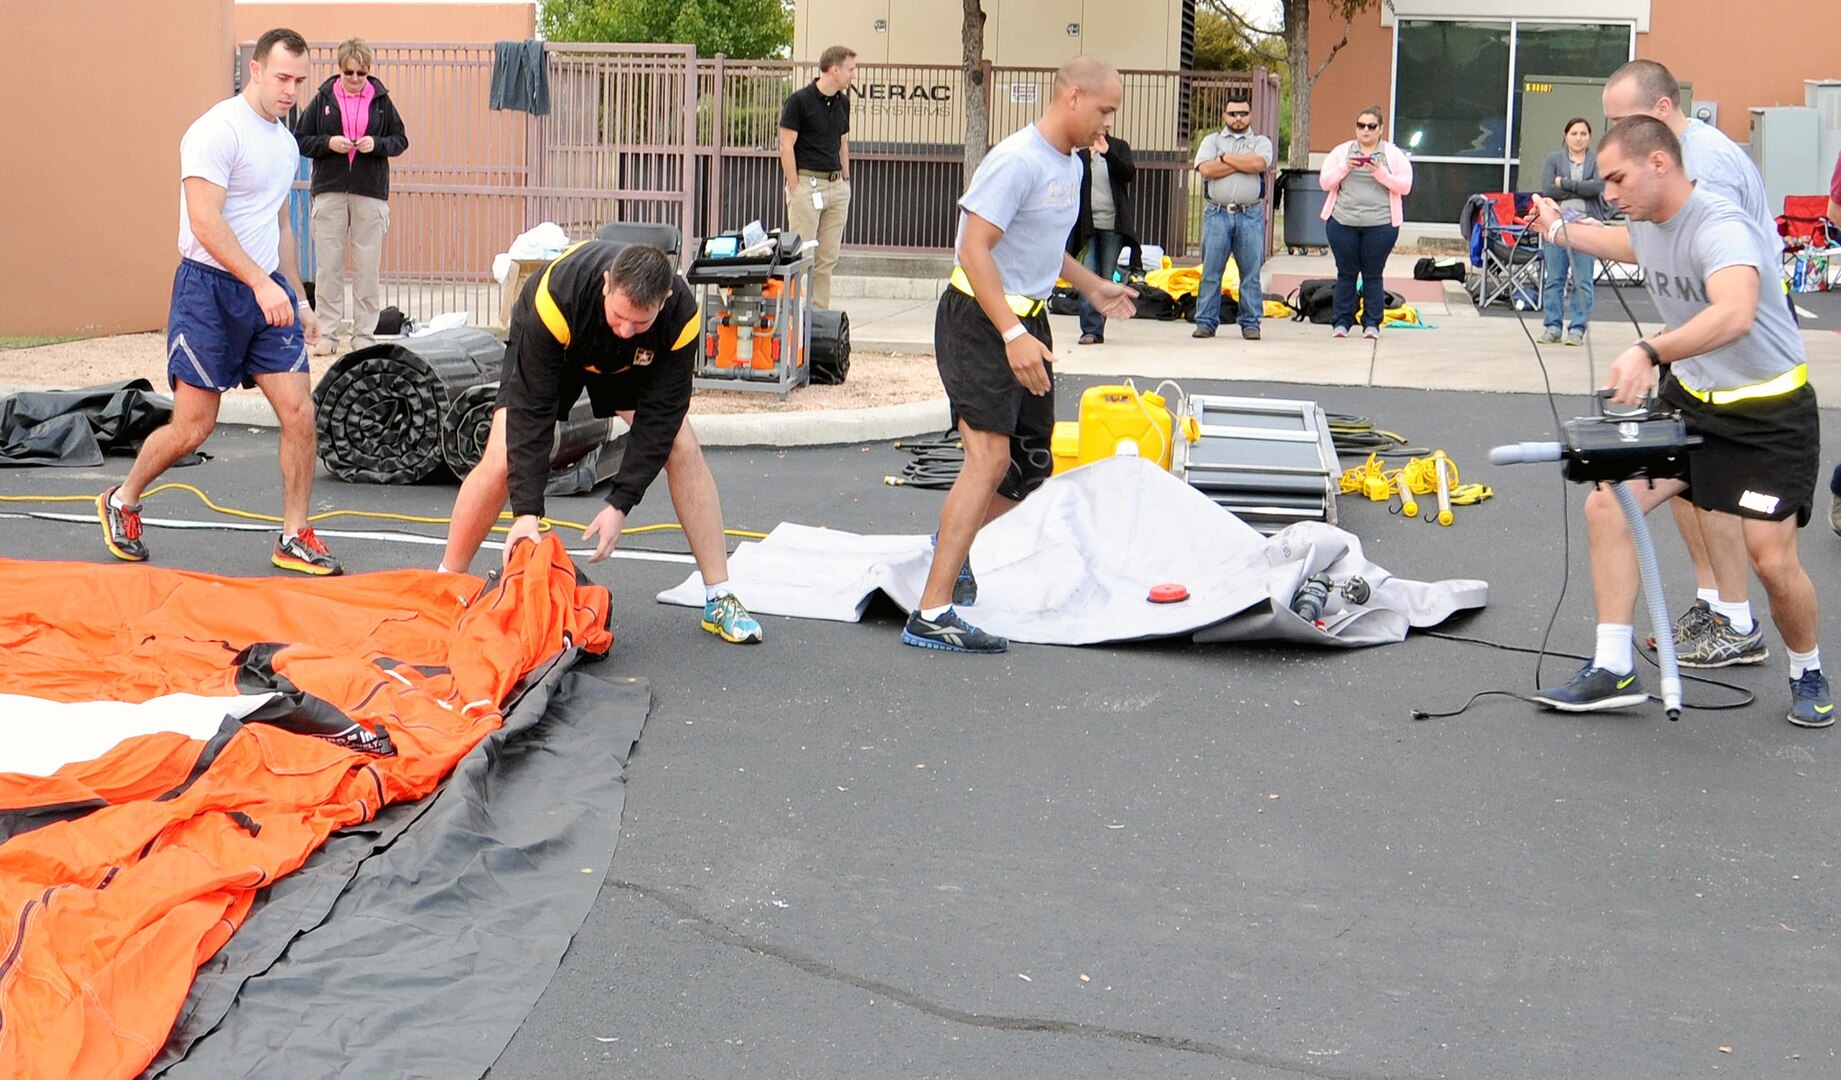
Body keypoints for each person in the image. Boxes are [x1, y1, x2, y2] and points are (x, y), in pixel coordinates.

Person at [1527, 116, 1829, 727]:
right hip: (1691, 403)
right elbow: (1624, 244)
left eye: (1617, 178)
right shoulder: (1647, 221)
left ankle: (1808, 669)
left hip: (1766, 414)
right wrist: (1560, 230)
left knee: (1771, 560)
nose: (1608, 193)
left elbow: (1737, 313)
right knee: (1609, 503)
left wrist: (1649, 351)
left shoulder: (1721, 225)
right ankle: (1613, 666)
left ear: (1659, 164)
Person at [905, 56, 1138, 654]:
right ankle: (931, 612)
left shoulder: (1070, 163)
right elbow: (973, 248)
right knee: (987, 458)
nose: (1106, 124)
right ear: (1071, 96)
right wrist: (1010, 333)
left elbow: (1043, 245)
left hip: (1025, 320)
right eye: (1103, 110)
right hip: (980, 321)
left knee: (1030, 469)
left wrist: (1093, 287)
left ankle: (947, 547)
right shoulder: (1016, 159)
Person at [97, 28, 340, 576]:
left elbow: (280, 226)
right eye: (281, 78)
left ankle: (294, 534)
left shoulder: (283, 142)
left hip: (266, 293)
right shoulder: (215, 130)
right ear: (255, 70)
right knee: (193, 428)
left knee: (300, 412)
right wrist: (259, 283)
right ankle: (123, 498)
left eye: (299, 81)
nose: (290, 91)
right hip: (208, 290)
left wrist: (297, 298)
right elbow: (205, 222)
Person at [437, 240, 763, 644]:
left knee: (681, 447)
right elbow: (531, 416)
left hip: (627, 365)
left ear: (663, 301)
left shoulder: (680, 320)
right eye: (620, 315)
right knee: (504, 453)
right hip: (564, 345)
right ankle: (445, 584)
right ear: (606, 285)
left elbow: (659, 424)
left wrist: (620, 503)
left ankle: (719, 596)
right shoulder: (556, 297)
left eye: (639, 322)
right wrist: (526, 513)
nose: (626, 328)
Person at [1602, 59, 1777, 667]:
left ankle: (1736, 619)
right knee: (1679, 485)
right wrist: (1566, 232)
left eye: (1621, 122)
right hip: (1692, 356)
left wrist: (1656, 346)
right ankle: (1712, 603)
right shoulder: (1667, 167)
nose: (1612, 137)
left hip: (1738, 366)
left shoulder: (1708, 163)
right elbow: (1646, 242)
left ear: (1659, 116)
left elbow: (1725, 273)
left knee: (1723, 497)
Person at [294, 37, 409, 355]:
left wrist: (378, 144)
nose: (355, 79)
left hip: (369, 193)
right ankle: (327, 333)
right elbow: (302, 139)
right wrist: (329, 143)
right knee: (328, 266)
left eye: (361, 73)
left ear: (368, 71)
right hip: (330, 191)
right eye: (349, 72)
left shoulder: (383, 101)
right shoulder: (323, 99)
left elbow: (400, 139)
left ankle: (363, 335)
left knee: (367, 266)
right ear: (339, 70)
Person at [1319, 106, 1413, 340]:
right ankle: (1341, 322)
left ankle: (1372, 324)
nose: (1366, 131)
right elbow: (1325, 182)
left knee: (1373, 274)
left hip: (1381, 225)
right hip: (1342, 222)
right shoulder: (1342, 152)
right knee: (1346, 273)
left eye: (1372, 126)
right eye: (1361, 126)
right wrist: (1345, 167)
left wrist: (1380, 173)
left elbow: (1405, 186)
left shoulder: (1392, 155)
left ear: (1381, 129)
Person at [778, 46, 857, 310]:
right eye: (850, 69)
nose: (853, 75)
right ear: (834, 70)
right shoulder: (799, 101)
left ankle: (818, 318)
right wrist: (795, 186)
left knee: (827, 258)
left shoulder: (843, 102)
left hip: (836, 186)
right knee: (803, 255)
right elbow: (786, 145)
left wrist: (845, 179)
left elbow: (842, 143)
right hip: (807, 185)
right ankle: (796, 319)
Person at [1191, 95, 1273, 341]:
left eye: (1243, 114)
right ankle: (1205, 322)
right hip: (1217, 214)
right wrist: (1241, 163)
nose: (1238, 118)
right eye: (1233, 114)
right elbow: (1206, 169)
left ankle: (1250, 323)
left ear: (1250, 115)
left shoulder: (1260, 141)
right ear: (1224, 116)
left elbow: (1259, 164)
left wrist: (1225, 159)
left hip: (1250, 215)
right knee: (1211, 273)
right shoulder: (1211, 140)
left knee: (1250, 274)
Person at [1537, 117, 1605, 346]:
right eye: (1574, 133)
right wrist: (1581, 189)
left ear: (1590, 136)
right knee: (1554, 279)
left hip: (1586, 226)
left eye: (1583, 134)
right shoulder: (1553, 160)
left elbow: (1598, 187)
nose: (1578, 138)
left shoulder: (1597, 161)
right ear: (1565, 135)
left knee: (1582, 280)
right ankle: (1552, 327)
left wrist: (1565, 184)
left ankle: (1577, 328)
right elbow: (1548, 189)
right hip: (1557, 225)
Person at [1066, 119, 1134, 345]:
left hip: (1112, 225)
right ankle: (1090, 330)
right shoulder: (1082, 154)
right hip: (1088, 226)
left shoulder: (1119, 147)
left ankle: (1099, 328)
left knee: (1105, 276)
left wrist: (1108, 154)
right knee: (1089, 275)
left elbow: (1128, 174)